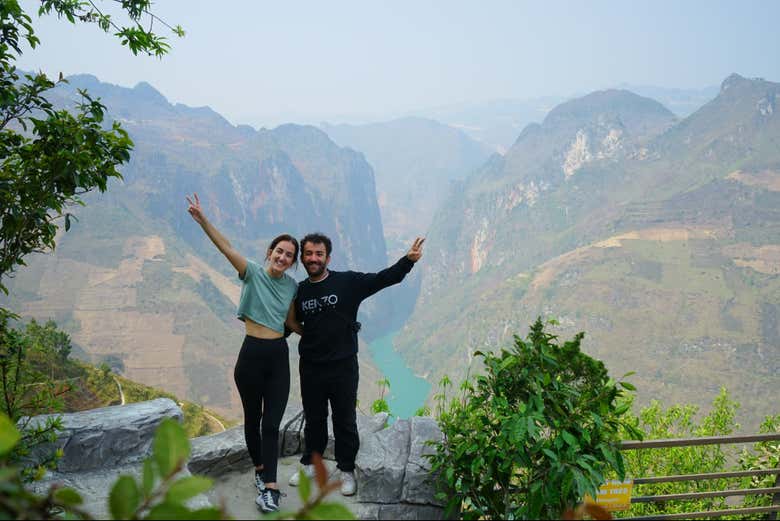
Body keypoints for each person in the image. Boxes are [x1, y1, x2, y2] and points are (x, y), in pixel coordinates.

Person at [186, 193, 298, 513]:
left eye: (289, 255)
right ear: (270, 252)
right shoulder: (251, 272)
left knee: (272, 424)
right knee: (253, 420)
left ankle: (271, 488)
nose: (283, 257)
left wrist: (332, 332)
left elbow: (291, 321)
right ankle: (262, 473)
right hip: (250, 355)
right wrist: (203, 219)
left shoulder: (292, 287)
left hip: (278, 355)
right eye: (279, 251)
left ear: (293, 261)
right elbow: (226, 247)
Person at [288, 232, 425, 495]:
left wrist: (408, 261)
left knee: (344, 419)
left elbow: (384, 279)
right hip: (312, 366)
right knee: (314, 418)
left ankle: (346, 468)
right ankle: (311, 465)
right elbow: (292, 321)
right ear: (303, 258)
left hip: (343, 366)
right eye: (308, 254)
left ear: (328, 257)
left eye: (319, 254)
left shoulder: (347, 282)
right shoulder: (301, 290)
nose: (313, 258)